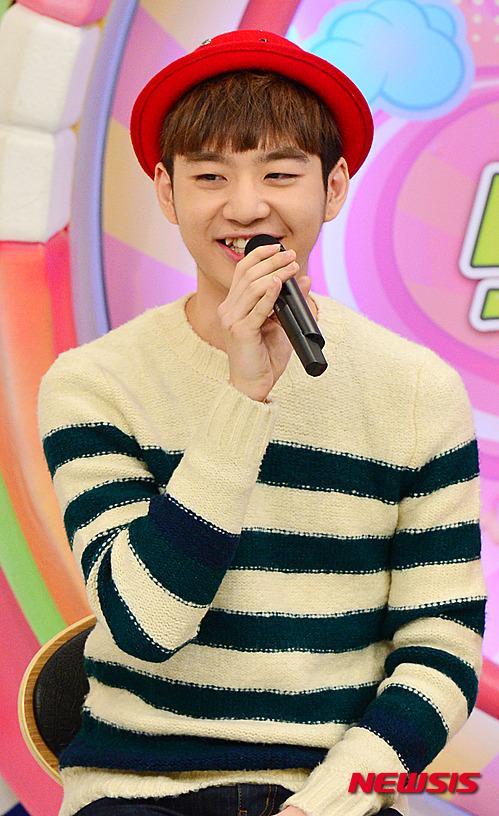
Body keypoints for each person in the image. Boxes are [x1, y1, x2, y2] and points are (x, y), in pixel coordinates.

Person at [36, 29, 487, 816]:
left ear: (334, 187)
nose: (245, 207)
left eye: (280, 173)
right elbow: (144, 626)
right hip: (139, 792)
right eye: (209, 176)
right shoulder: (94, 384)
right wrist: (242, 399)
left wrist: (325, 804)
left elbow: (440, 647)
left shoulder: (416, 390)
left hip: (328, 795)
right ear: (167, 193)